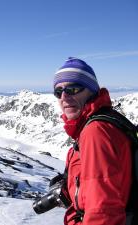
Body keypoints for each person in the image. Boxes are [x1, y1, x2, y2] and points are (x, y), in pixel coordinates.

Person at [53, 57, 132, 225]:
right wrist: (69, 186)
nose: (64, 97)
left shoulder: (95, 132)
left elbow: (103, 211)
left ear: (91, 91)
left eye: (73, 89)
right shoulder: (107, 121)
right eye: (58, 92)